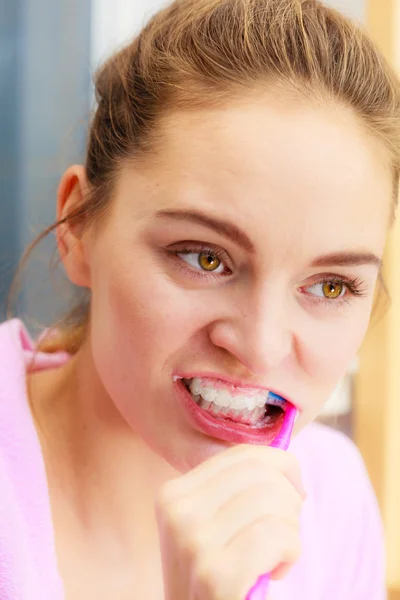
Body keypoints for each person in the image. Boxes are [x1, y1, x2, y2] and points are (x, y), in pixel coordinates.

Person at [0, 0, 397, 598]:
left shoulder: (334, 501)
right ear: (77, 228)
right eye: (205, 258)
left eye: (330, 286)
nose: (260, 349)